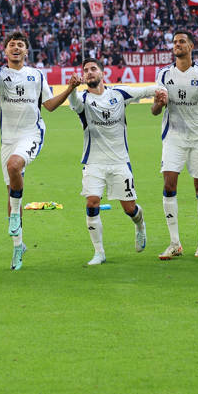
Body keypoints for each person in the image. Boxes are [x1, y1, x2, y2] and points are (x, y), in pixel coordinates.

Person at [0, 30, 72, 270]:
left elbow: (49, 105)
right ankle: (18, 246)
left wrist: (69, 89)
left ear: (26, 51)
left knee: (14, 166)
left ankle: (16, 217)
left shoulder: (37, 75)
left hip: (32, 134)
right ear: (6, 51)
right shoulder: (0, 73)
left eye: (20, 45)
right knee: (11, 192)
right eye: (12, 45)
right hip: (8, 140)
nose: (16, 48)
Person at [68, 59, 166, 265]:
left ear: (103, 73)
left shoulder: (118, 94)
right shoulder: (82, 99)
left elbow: (145, 91)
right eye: (85, 71)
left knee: (129, 208)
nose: (89, 73)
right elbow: (75, 103)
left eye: (93, 69)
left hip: (120, 161)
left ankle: (140, 225)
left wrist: (161, 91)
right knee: (92, 202)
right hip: (93, 162)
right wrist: (71, 88)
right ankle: (99, 252)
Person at [150, 31, 198, 260]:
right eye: (174, 42)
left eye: (181, 41)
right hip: (173, 137)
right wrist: (158, 104)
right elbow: (155, 111)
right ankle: (175, 243)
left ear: (191, 46)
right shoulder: (164, 74)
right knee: (169, 185)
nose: (177, 45)